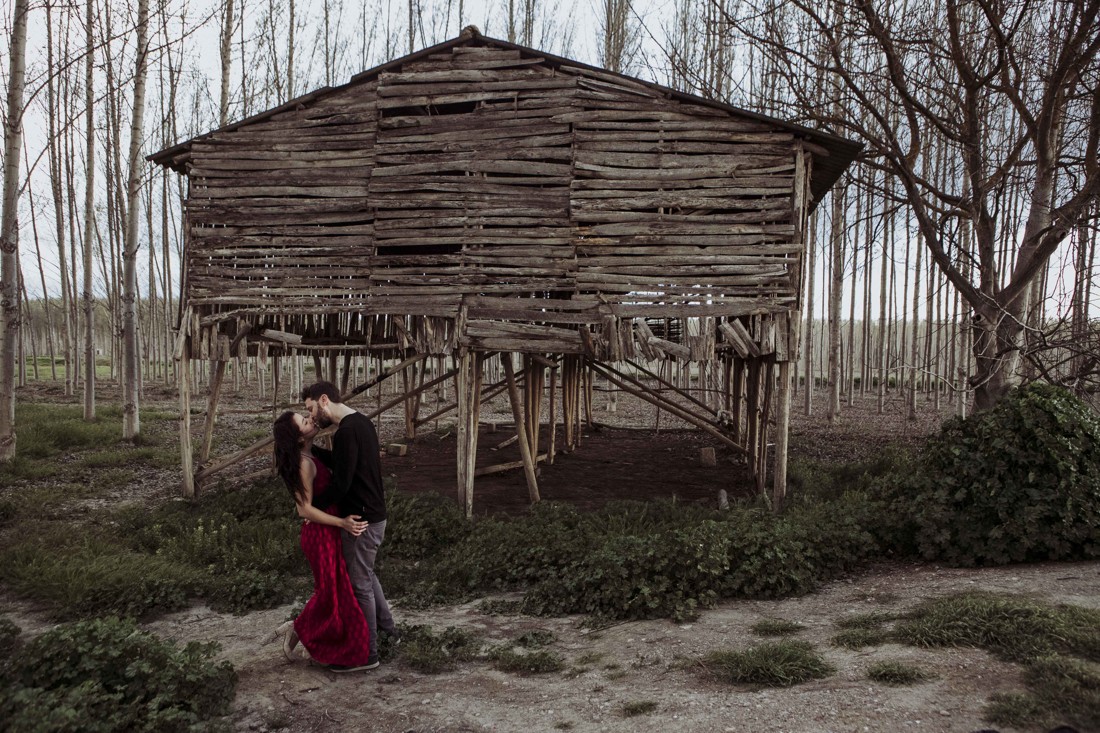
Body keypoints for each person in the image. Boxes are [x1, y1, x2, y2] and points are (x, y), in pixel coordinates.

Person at [302, 381, 398, 666]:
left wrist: (311, 508)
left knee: (360, 585)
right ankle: (388, 632)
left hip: (360, 519)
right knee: (367, 576)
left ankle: (368, 654)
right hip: (374, 514)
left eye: (310, 409)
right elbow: (344, 463)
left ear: (323, 401)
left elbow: (342, 483)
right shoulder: (361, 423)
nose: (311, 416)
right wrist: (314, 450)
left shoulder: (345, 432)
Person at [272, 410, 376, 672]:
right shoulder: (304, 463)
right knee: (331, 593)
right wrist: (342, 522)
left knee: (334, 592)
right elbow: (303, 510)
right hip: (320, 535)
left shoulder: (310, 455)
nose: (311, 421)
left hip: (325, 531)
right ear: (297, 439)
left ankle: (300, 630)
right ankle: (307, 632)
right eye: (304, 423)